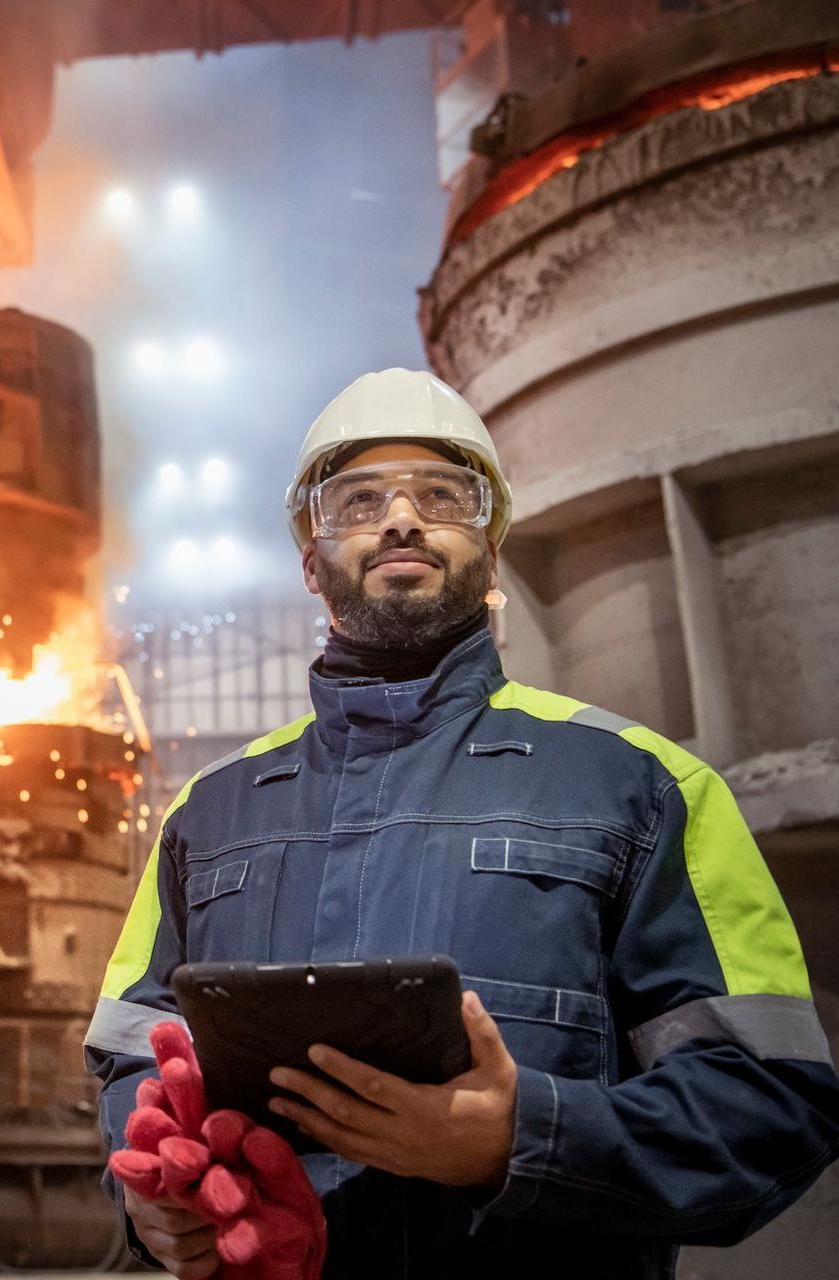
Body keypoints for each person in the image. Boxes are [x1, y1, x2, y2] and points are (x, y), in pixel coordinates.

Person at [84, 369, 839, 1278]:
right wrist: (150, 1195)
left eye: (441, 496)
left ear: (489, 541)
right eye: (357, 500)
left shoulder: (641, 785)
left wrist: (519, 1140)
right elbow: (133, 1057)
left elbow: (770, 1099)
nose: (400, 518)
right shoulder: (208, 809)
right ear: (310, 556)